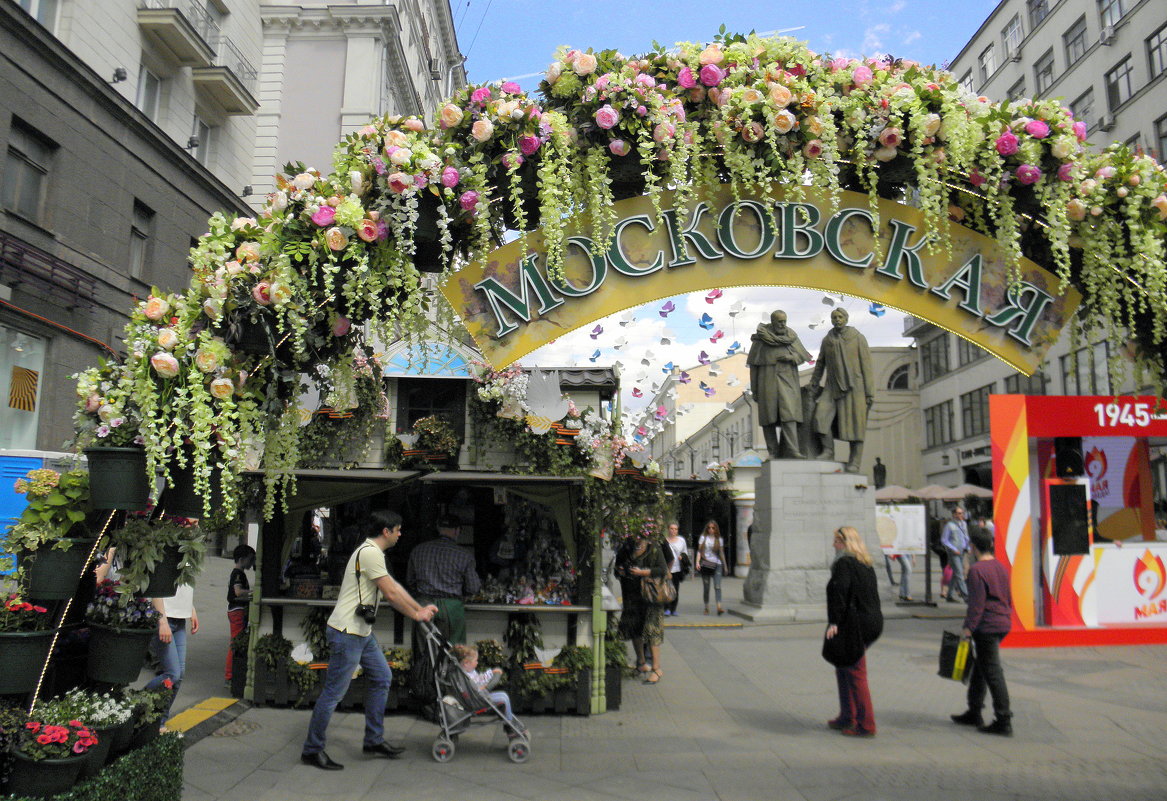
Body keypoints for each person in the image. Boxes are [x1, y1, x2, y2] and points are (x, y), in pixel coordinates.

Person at [301, 510, 437, 771]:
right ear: (386, 532)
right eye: (398, 530)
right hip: (348, 632)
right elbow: (390, 593)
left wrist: (419, 609)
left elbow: (394, 588)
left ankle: (373, 740)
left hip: (361, 632)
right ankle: (312, 749)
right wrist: (416, 614)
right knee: (333, 694)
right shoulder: (371, 553)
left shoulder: (373, 553)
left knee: (382, 677)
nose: (400, 534)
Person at [951, 526, 1013, 736]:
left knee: (993, 672)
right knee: (981, 667)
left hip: (987, 625)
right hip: (1002, 622)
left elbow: (976, 605)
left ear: (973, 546)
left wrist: (968, 628)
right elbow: (1008, 596)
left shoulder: (977, 570)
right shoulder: (1000, 566)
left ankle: (1003, 719)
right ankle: (974, 710)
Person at [825, 526, 883, 737]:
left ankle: (866, 724)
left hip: (855, 623)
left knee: (856, 671)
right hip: (872, 620)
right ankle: (847, 716)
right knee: (843, 665)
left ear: (844, 542)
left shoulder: (844, 563)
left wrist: (834, 622)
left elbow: (840, 592)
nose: (833, 545)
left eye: (836, 541)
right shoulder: (864, 562)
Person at [810, 308, 874, 473]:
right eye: (834, 317)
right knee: (820, 417)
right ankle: (828, 451)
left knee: (856, 426)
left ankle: (855, 461)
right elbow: (820, 363)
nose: (837, 319)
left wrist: (869, 392)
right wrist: (814, 382)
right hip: (832, 385)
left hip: (856, 387)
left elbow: (866, 366)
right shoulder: (827, 340)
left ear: (846, 318)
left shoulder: (857, 338)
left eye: (840, 317)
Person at [747, 309, 813, 459]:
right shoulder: (761, 339)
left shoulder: (791, 336)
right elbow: (753, 366)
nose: (783, 324)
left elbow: (802, 355)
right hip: (767, 381)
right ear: (772, 321)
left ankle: (793, 450)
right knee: (768, 418)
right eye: (779, 321)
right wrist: (755, 389)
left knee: (789, 415)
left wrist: (792, 357)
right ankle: (773, 452)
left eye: (784, 321)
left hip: (788, 379)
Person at [407, 515, 481, 644]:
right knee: (453, 651)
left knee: (424, 650)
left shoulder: (418, 550)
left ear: (438, 528)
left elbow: (410, 581)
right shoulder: (464, 555)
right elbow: (473, 588)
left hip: (424, 604)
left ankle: (425, 665)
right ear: (457, 530)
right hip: (451, 607)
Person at [615, 529, 669, 684]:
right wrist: (621, 571)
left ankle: (657, 669)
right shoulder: (626, 548)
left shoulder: (654, 549)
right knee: (635, 629)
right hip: (631, 595)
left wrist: (643, 572)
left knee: (652, 631)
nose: (636, 539)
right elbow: (617, 567)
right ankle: (641, 663)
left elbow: (662, 570)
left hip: (651, 597)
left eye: (639, 536)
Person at [146, 583, 198, 726]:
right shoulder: (170, 559)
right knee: (173, 673)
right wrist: (162, 622)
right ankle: (138, 700)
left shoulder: (189, 560)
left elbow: (185, 585)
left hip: (179, 618)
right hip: (164, 617)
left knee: (179, 675)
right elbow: (156, 587)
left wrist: (190, 608)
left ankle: (160, 721)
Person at [451, 644, 525, 737]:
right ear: (466, 663)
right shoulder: (466, 677)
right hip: (477, 700)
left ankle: (508, 723)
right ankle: (509, 725)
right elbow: (476, 687)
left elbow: (479, 679)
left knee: (503, 696)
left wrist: (491, 673)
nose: (477, 663)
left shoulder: (467, 673)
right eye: (475, 661)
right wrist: (485, 686)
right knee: (504, 699)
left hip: (478, 697)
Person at [225, 544, 255, 682]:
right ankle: (229, 675)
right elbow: (237, 591)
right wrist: (252, 592)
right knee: (235, 642)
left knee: (236, 641)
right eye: (250, 559)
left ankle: (231, 674)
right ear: (242, 559)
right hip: (237, 610)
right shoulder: (238, 574)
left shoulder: (238, 573)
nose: (252, 562)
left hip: (235, 610)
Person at [695, 520, 727, 616]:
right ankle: (706, 607)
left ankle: (719, 607)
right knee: (706, 587)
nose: (711, 530)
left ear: (716, 529)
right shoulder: (703, 538)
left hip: (717, 564)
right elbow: (699, 551)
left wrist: (725, 566)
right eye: (709, 528)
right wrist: (697, 562)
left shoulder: (719, 539)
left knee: (717, 586)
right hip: (706, 564)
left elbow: (721, 553)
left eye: (713, 528)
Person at [941, 507, 971, 602]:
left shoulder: (964, 524)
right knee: (959, 574)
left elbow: (966, 537)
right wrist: (953, 549)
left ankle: (949, 595)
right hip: (954, 553)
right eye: (958, 513)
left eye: (961, 513)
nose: (960, 515)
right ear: (954, 514)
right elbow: (944, 540)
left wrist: (968, 547)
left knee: (955, 574)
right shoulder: (949, 525)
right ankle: (966, 596)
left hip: (962, 551)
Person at [664, 522, 688, 617]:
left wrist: (682, 556)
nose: (673, 531)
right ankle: (666, 608)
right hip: (667, 568)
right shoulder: (664, 540)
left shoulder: (681, 540)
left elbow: (684, 552)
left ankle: (673, 609)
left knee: (675, 589)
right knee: (666, 589)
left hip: (677, 568)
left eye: (675, 529)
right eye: (671, 528)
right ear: (668, 529)